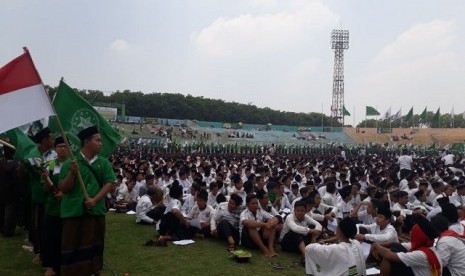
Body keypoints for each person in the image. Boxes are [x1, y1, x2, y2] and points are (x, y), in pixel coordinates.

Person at [59, 126, 116, 276]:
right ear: (86, 142)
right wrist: (72, 173)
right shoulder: (70, 163)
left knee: (95, 242)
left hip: (95, 211)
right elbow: (64, 189)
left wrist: (95, 200)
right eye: (97, 140)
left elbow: (109, 183)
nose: (101, 144)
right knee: (73, 243)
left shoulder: (103, 162)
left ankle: (95, 269)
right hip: (74, 212)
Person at [372, 217, 442, 276]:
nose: (410, 232)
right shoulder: (426, 245)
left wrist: (375, 245)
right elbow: (396, 244)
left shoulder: (422, 254)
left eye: (413, 232)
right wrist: (380, 245)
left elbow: (389, 255)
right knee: (395, 247)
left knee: (388, 256)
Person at [41, 137, 68, 276]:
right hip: (53, 207)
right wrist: (46, 178)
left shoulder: (73, 165)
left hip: (68, 208)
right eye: (59, 146)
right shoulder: (51, 165)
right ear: (55, 149)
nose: (62, 149)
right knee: (51, 237)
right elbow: (46, 188)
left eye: (65, 146)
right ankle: (50, 266)